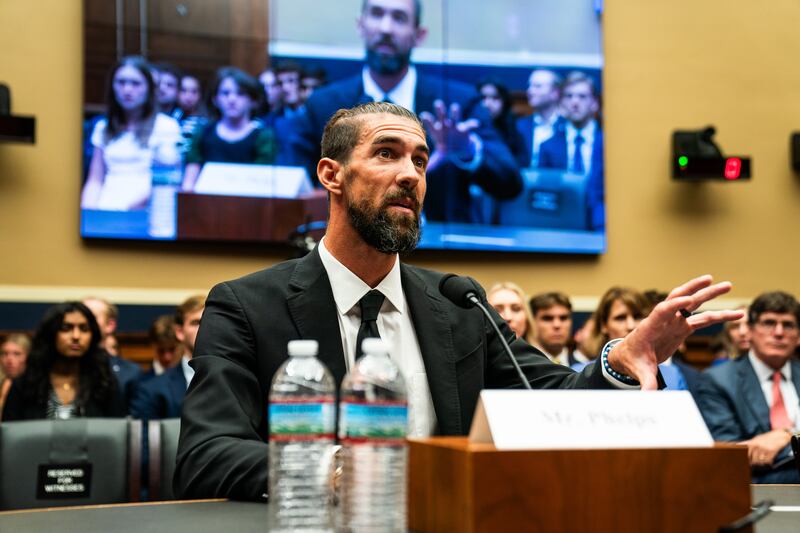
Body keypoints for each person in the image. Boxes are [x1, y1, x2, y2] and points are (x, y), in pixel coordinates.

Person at [173, 101, 741, 500]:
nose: (410, 175)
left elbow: (555, 400)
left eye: (420, 161)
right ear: (332, 174)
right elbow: (207, 456)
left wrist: (623, 358)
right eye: (387, 154)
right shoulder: (247, 305)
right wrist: (344, 469)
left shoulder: (458, 304)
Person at [290, 0, 522, 224]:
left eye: (399, 18)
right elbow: (292, 182)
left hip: (440, 253)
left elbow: (510, 183)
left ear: (419, 34)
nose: (386, 28)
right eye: (377, 14)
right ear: (361, 25)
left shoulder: (458, 103)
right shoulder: (324, 105)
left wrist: (467, 151)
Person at [697, 291, 800, 483]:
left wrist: (789, 435)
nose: (779, 333)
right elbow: (729, 453)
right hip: (753, 488)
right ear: (749, 331)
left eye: (788, 324)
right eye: (769, 323)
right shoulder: (718, 380)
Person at [81, 56, 182, 211]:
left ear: (149, 88)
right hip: (106, 208)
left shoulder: (166, 126)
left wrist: (127, 209)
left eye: (136, 84)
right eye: (121, 82)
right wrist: (88, 212)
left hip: (147, 210)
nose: (127, 90)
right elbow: (95, 180)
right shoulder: (102, 127)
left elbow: (168, 179)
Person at [2, 302, 125, 420]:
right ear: (51, 333)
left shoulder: (104, 383)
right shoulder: (26, 384)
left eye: (84, 329)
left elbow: (116, 434)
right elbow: (11, 436)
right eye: (66, 328)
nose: (76, 336)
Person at [181, 67, 277, 191]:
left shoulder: (263, 136)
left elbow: (263, 181)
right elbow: (190, 180)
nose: (232, 99)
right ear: (215, 99)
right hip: (207, 203)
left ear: (253, 101)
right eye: (225, 93)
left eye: (240, 94)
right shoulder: (203, 132)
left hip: (251, 203)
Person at [575, 287, 687, 391]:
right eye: (620, 318)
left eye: (637, 316)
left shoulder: (672, 374)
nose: (631, 325)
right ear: (604, 325)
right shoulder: (579, 373)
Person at [538, 71, 604, 230]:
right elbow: (544, 195)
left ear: (594, 103)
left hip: (604, 226)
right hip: (560, 225)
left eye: (582, 96)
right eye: (569, 96)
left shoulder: (609, 144)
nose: (575, 102)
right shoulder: (547, 146)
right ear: (561, 103)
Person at [131, 295, 205, 420]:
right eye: (196, 323)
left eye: (209, 321)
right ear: (180, 332)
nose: (204, 327)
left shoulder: (236, 379)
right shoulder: (151, 389)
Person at [83, 296, 143, 410]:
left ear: (110, 325)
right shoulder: (62, 368)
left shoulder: (130, 373)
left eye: (90, 316)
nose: (83, 322)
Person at [515, 69, 564, 168]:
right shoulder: (519, 126)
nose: (530, 91)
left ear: (555, 93)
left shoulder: (568, 127)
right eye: (529, 86)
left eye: (537, 86)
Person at [477, 78, 526, 163]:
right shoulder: (469, 128)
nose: (488, 104)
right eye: (483, 97)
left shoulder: (516, 130)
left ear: (505, 102)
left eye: (495, 98)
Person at [529, 292, 584, 366]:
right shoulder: (520, 367)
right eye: (547, 318)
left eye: (563, 318)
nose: (557, 325)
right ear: (532, 322)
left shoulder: (584, 370)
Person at [0, 333, 31, 418]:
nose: (9, 360)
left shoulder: (35, 388)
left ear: (29, 357)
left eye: (17, 354)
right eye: (4, 353)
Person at [141, 314, 181, 379]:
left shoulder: (194, 379)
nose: (167, 357)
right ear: (152, 347)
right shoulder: (141, 383)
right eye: (161, 350)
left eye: (172, 349)